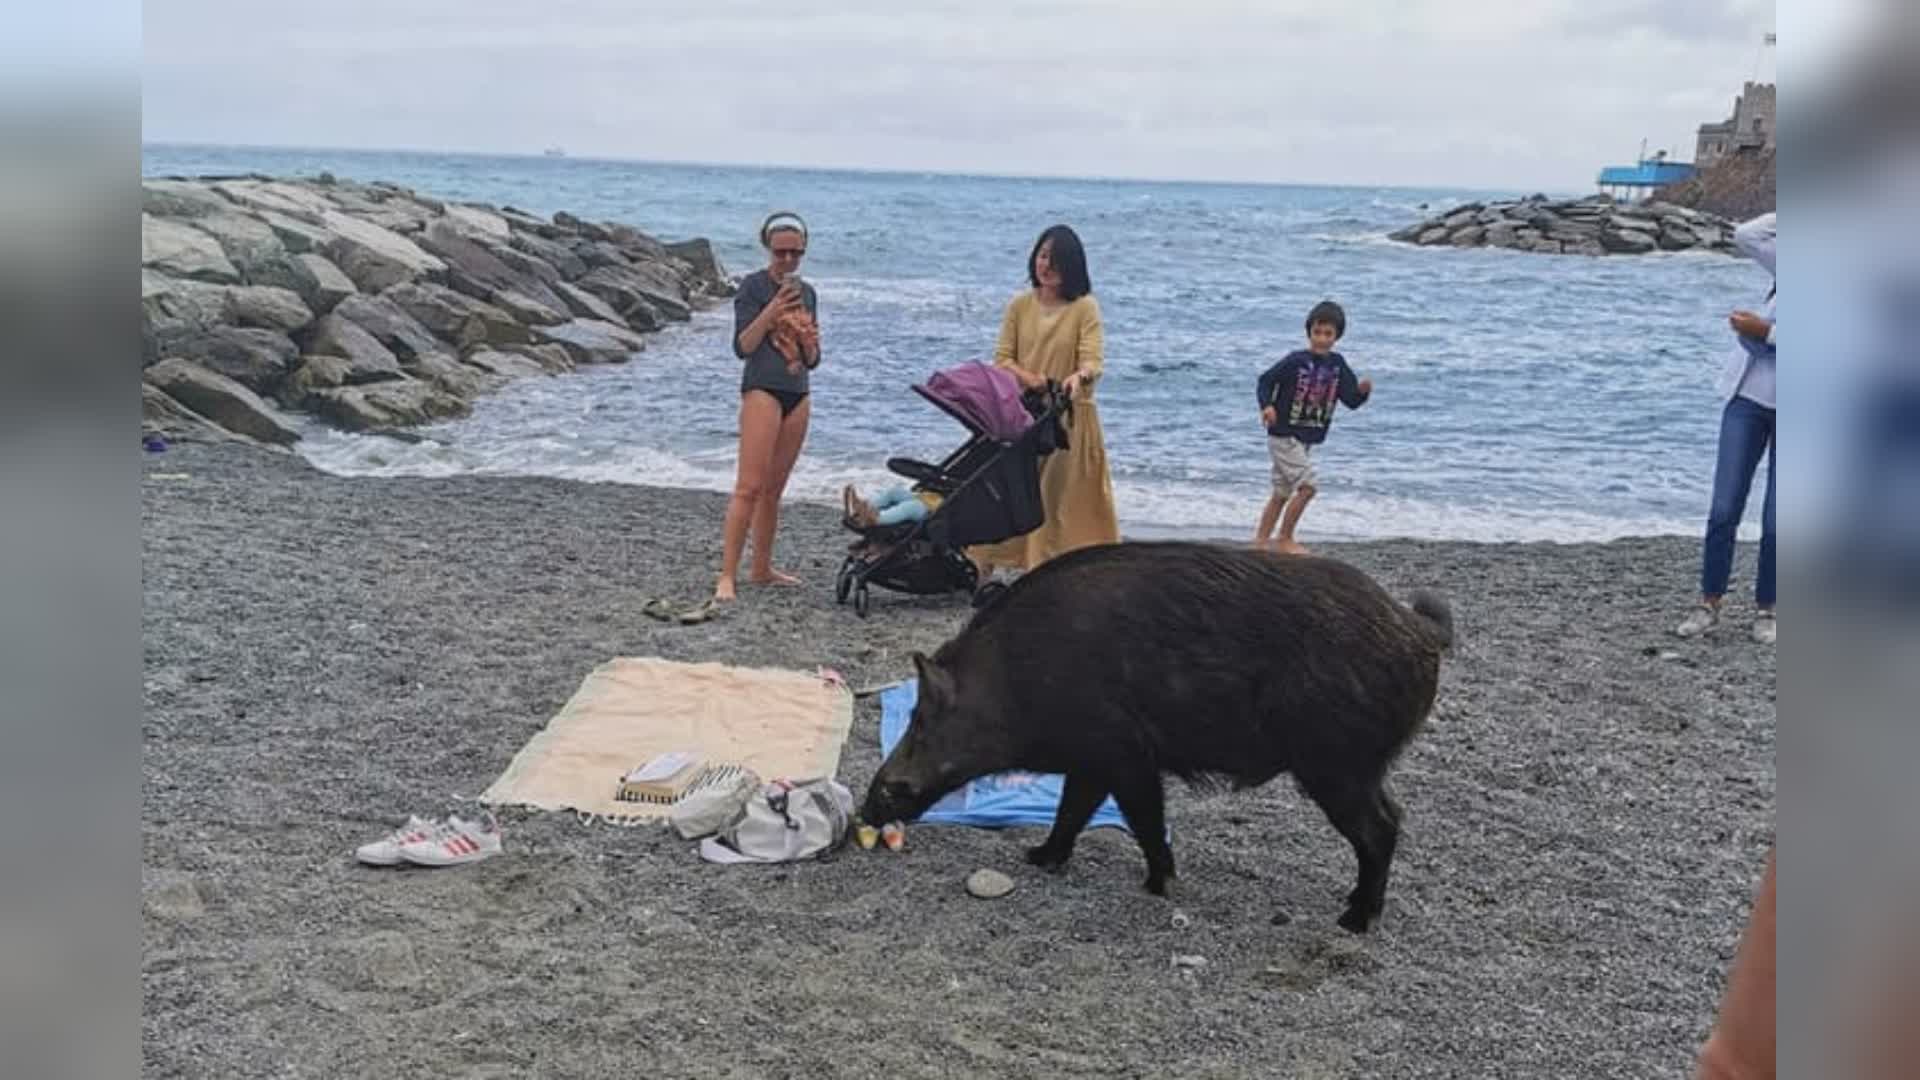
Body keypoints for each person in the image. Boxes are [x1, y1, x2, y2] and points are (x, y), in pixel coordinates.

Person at [968, 224, 1120, 579]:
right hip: (1024, 414)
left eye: (1055, 260)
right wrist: (1033, 380)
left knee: (1056, 500)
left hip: (1067, 420)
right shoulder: (1020, 305)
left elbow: (1092, 360)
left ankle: (1048, 570)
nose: (1046, 265)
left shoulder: (1084, 308)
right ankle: (986, 565)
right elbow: (1003, 359)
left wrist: (1078, 378)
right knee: (1011, 491)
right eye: (1043, 256)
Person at [1676, 212, 1775, 643]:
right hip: (1747, 400)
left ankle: (1768, 609)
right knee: (1723, 509)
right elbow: (1748, 234)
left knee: (1779, 521)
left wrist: (1765, 332)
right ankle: (1708, 603)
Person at [714, 210, 820, 604]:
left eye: (796, 253)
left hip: (798, 390)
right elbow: (743, 346)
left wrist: (808, 341)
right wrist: (773, 310)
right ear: (768, 250)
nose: (788, 260)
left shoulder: (808, 293)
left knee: (774, 490)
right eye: (781, 253)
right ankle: (727, 575)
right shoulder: (753, 287)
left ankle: (761, 568)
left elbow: (814, 359)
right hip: (762, 388)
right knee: (749, 487)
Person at [1252, 300, 1373, 555]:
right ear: (1309, 332)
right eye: (1317, 333)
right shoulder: (1296, 361)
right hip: (1283, 434)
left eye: (1328, 334)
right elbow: (1266, 380)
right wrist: (1267, 406)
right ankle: (1284, 538)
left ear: (1337, 336)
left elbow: (1350, 400)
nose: (1321, 339)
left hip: (1306, 438)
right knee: (1308, 488)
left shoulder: (1337, 365)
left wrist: (1362, 393)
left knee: (1282, 492)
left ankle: (1260, 543)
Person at [843, 483, 942, 529]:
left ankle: (876, 518)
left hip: (934, 509)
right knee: (893, 492)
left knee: (909, 507)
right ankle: (860, 508)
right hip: (928, 497)